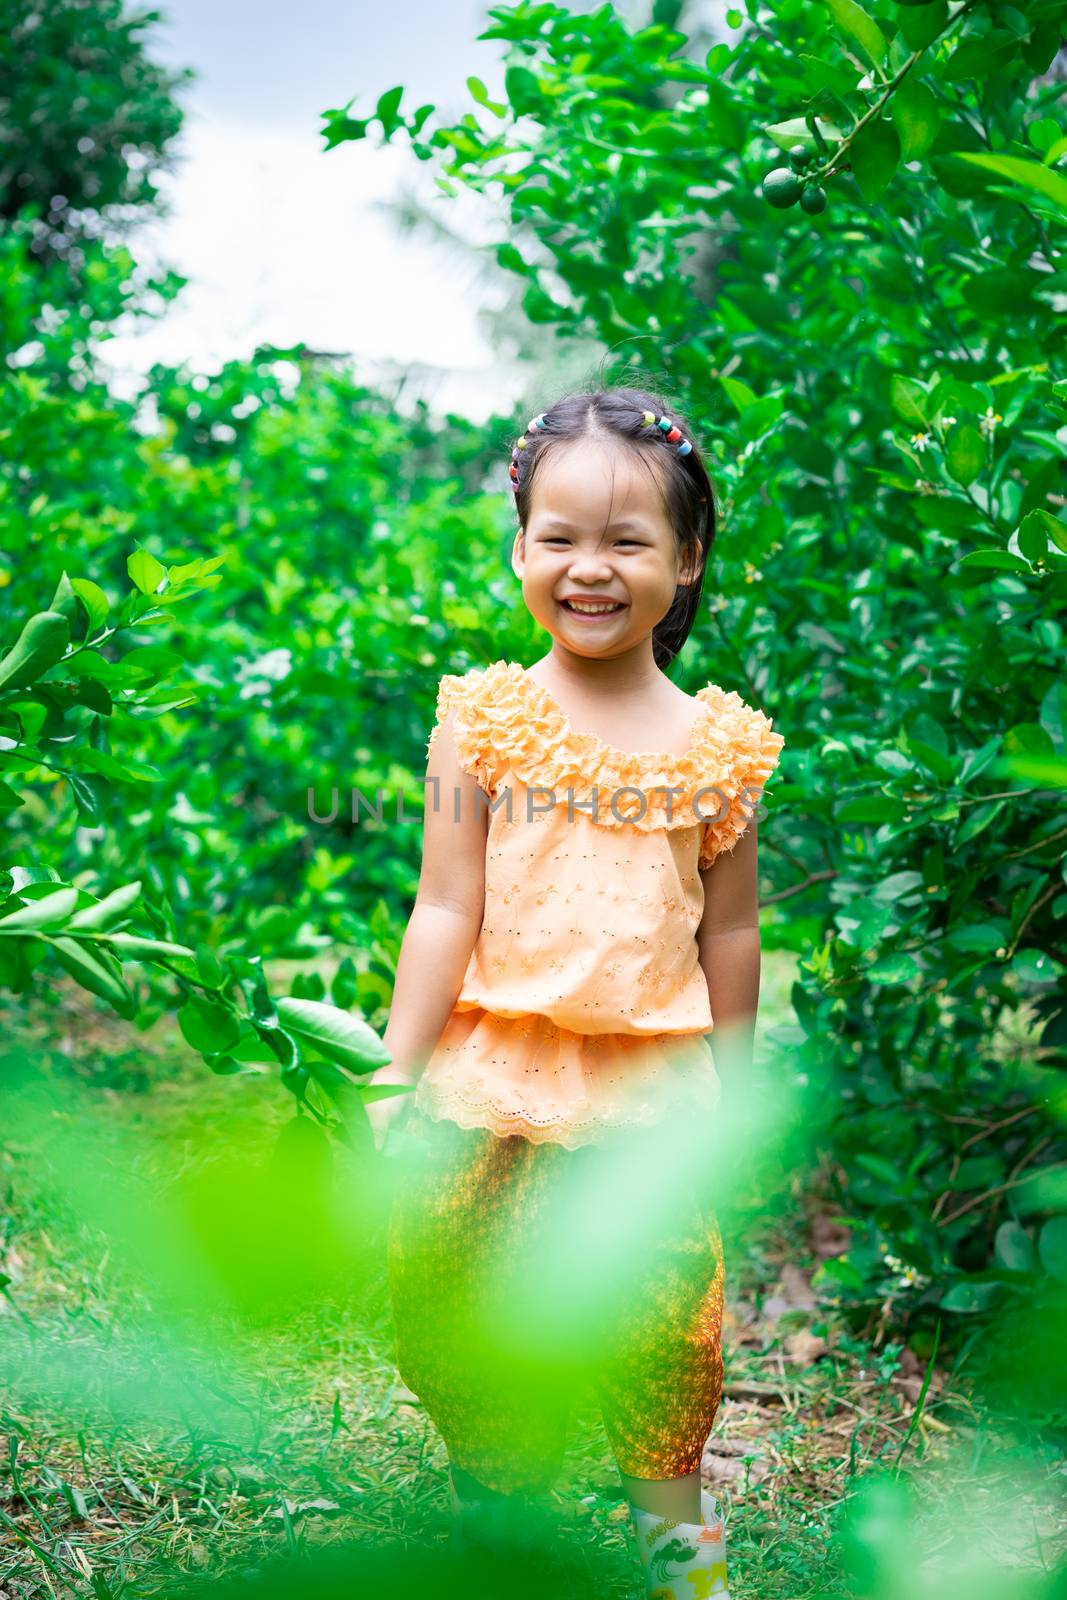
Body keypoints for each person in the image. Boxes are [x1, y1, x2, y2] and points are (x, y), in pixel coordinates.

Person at [365, 384, 785, 1599]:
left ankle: (682, 1572)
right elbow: (443, 903)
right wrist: (393, 1070)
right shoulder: (486, 721)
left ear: (687, 555)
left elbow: (732, 931)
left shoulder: (717, 746)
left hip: (645, 1094)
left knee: (662, 1338)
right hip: (487, 1076)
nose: (587, 569)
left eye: (625, 540)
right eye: (558, 536)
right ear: (519, 544)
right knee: (454, 1310)